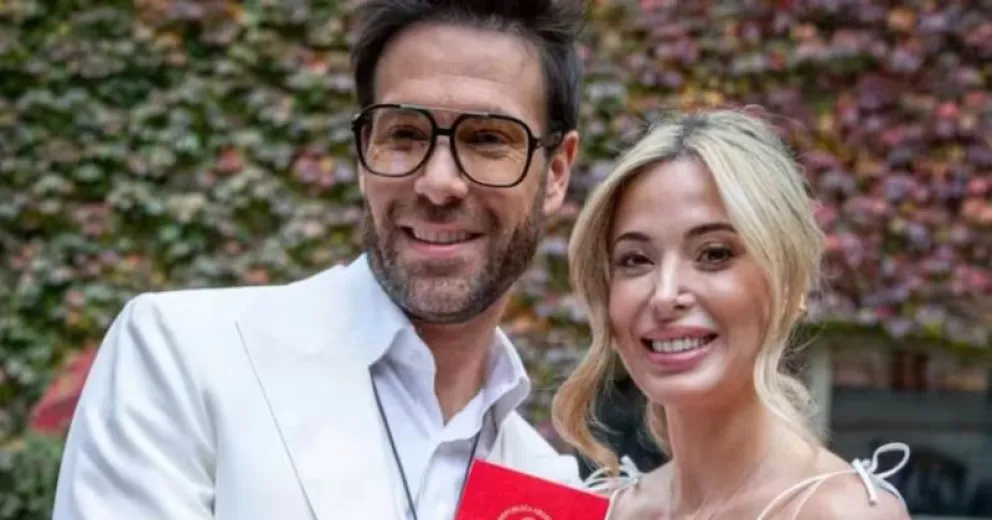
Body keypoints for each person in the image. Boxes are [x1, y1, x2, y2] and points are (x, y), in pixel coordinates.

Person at [51, 1, 586, 518]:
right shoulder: (181, 354)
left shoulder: (546, 488)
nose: (438, 182)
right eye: (404, 134)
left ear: (556, 174)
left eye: (488, 139)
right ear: (363, 154)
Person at [554, 108, 913, 519]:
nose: (665, 296)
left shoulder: (844, 513)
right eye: (635, 259)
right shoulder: (604, 510)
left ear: (788, 282)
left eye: (714, 254)